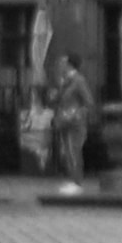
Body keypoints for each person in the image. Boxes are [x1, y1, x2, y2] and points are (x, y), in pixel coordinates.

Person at [47, 55, 95, 189]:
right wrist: (54, 96)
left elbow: (89, 102)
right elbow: (58, 100)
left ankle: (77, 182)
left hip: (75, 122)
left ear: (69, 65)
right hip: (64, 121)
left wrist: (77, 114)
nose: (60, 66)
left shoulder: (78, 81)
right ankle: (72, 179)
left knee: (74, 151)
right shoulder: (64, 81)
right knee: (66, 152)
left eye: (63, 63)